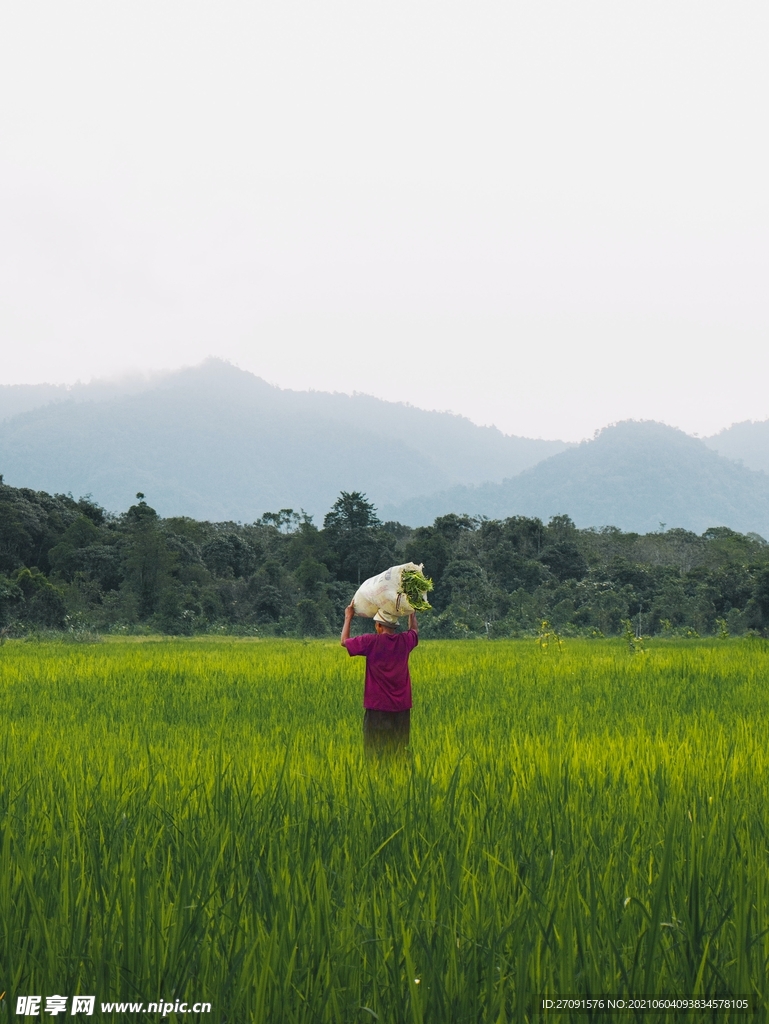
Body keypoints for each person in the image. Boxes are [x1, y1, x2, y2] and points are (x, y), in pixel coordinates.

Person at [341, 602, 418, 756]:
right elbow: (414, 630)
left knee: (375, 752)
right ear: (394, 626)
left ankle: (377, 779)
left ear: (379, 626)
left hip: (377, 708)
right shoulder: (405, 641)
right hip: (402, 708)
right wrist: (411, 612)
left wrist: (348, 617)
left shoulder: (370, 642)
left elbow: (344, 641)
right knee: (399, 751)